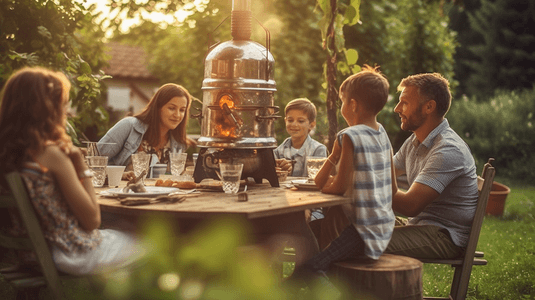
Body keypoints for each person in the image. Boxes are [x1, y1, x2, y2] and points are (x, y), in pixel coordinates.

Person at [0, 67, 144, 275]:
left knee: (122, 228)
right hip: (72, 253)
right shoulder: (51, 155)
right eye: (63, 104)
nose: (66, 112)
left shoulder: (9, 155)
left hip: (31, 254)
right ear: (46, 108)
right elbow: (92, 220)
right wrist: (79, 163)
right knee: (151, 242)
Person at [284, 65, 396, 293]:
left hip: (362, 231)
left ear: (352, 105)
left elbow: (335, 186)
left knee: (310, 268)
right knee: (312, 243)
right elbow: (391, 184)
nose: (342, 105)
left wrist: (333, 157)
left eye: (343, 101)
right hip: (384, 225)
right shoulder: (381, 132)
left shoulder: (349, 136)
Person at [383, 73, 479, 259]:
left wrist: (366, 185)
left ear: (429, 106)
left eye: (404, 102)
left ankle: (332, 284)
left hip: (444, 236)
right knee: (351, 223)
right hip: (419, 226)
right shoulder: (415, 141)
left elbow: (410, 206)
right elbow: (384, 172)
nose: (396, 109)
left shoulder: (448, 150)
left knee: (361, 240)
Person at [98, 83, 194, 180]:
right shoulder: (129, 126)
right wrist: (121, 175)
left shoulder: (179, 143)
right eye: (172, 108)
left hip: (160, 194)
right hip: (122, 192)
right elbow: (93, 163)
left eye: (182, 110)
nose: (177, 115)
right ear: (158, 107)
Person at [273, 98, 328, 178]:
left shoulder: (318, 150)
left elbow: (319, 179)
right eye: (290, 120)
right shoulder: (278, 151)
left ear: (311, 125)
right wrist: (280, 170)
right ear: (285, 121)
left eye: (301, 121)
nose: (294, 124)